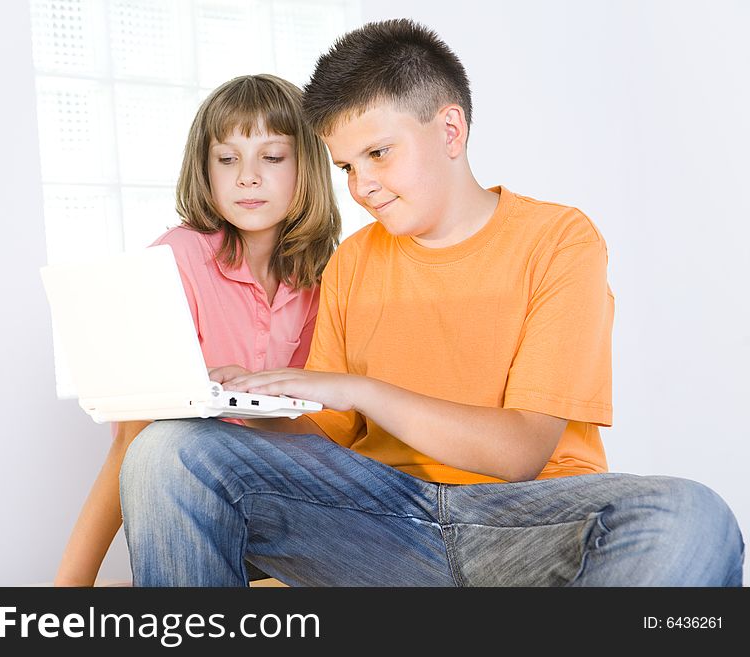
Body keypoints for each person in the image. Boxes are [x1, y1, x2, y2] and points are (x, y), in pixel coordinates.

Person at [119, 19, 744, 586]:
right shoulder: (353, 261)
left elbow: (521, 451)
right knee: (169, 453)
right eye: (346, 167)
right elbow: (325, 440)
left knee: (690, 515)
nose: (362, 186)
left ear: (450, 129)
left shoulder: (559, 241)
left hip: (524, 524)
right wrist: (240, 406)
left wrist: (359, 389)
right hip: (383, 525)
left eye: (379, 154)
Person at [53, 74, 341, 586]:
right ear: (204, 169)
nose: (247, 177)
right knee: (163, 441)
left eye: (272, 158)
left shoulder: (330, 274)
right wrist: (72, 582)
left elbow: (331, 435)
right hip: (196, 497)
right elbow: (133, 438)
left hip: (294, 502)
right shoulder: (177, 258)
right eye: (227, 159)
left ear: (307, 167)